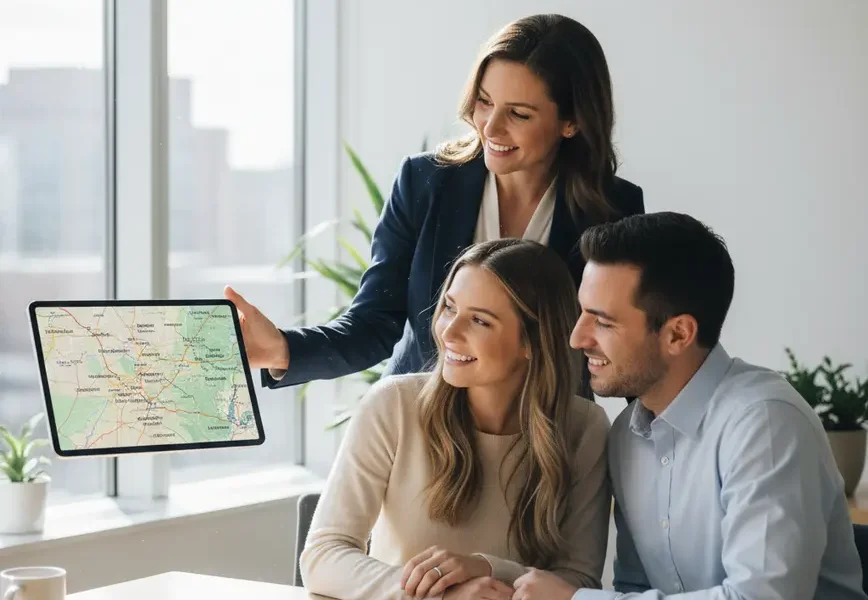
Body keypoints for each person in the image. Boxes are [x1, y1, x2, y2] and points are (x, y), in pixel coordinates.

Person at [223, 13, 644, 398]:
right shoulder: (425, 182)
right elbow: (375, 322)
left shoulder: (613, 208)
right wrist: (282, 349)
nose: (490, 127)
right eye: (483, 101)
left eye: (518, 113)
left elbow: (619, 346)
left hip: (546, 439)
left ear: (571, 122)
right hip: (419, 421)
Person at [508, 212, 867, 600]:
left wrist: (574, 599)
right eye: (582, 313)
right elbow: (634, 587)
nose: (577, 338)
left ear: (678, 333)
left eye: (603, 322)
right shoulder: (627, 434)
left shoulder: (765, 424)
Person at [299, 239, 612, 600]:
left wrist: (488, 568)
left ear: (532, 341)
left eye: (479, 320)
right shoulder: (393, 405)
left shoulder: (584, 428)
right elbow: (323, 556)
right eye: (449, 307)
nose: (448, 331)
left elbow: (579, 585)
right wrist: (437, 594)